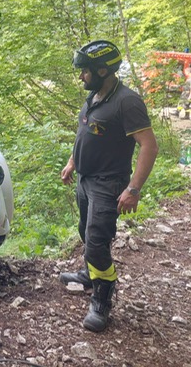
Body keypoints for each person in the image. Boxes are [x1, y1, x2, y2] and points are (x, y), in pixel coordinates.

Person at [60, 40, 159, 332]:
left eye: (85, 72)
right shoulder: (94, 97)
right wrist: (72, 162)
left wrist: (134, 189)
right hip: (86, 179)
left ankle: (103, 298)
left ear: (103, 70)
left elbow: (149, 146)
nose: (81, 77)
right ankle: (91, 275)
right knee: (85, 231)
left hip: (108, 183)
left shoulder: (127, 101)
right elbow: (85, 132)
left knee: (96, 242)